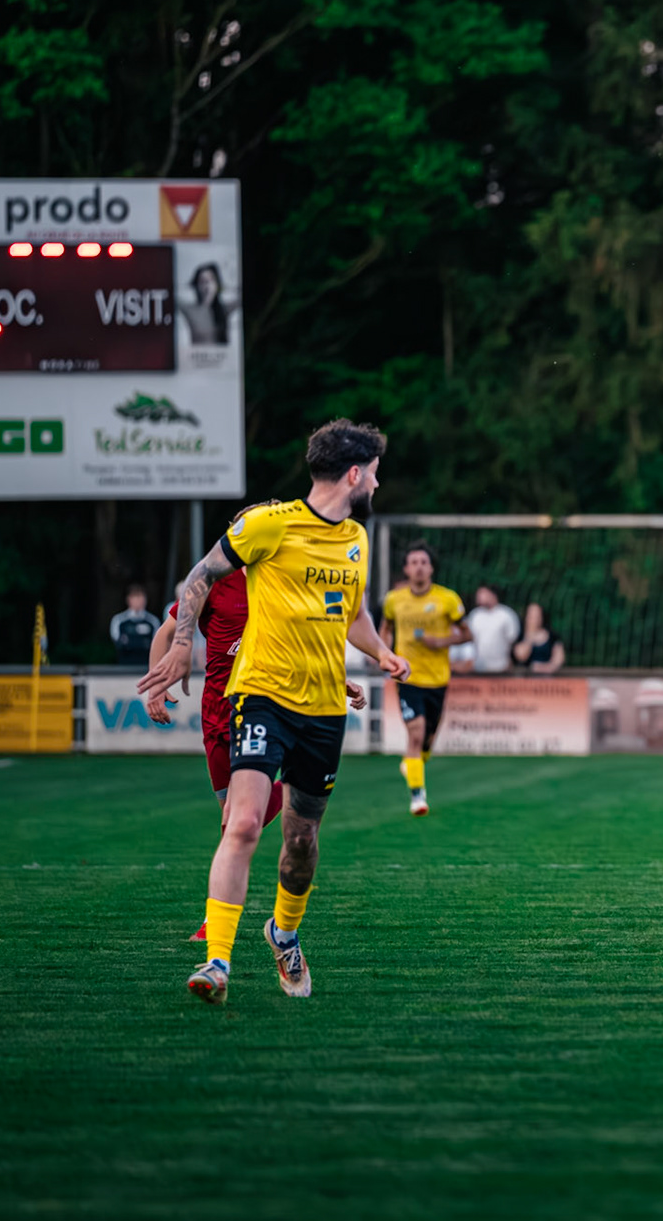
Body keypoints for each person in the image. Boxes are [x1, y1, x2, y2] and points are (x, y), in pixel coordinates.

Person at [138, 419, 410, 1006]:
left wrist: (382, 652)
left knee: (301, 842)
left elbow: (352, 613)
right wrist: (183, 641)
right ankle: (217, 962)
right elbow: (198, 578)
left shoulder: (356, 541)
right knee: (240, 823)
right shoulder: (268, 523)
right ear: (355, 474)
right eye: (376, 476)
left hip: (323, 711)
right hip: (260, 696)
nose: (378, 487)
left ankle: (282, 933)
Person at [143, 504, 306, 941]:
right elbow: (167, 630)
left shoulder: (281, 579)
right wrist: (157, 685)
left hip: (264, 709)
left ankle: (216, 926)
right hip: (216, 712)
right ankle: (288, 794)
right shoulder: (212, 581)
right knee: (228, 816)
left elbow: (310, 637)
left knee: (236, 819)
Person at [379, 541, 470, 817]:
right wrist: (383, 654)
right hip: (407, 677)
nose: (419, 567)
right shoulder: (394, 600)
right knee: (415, 734)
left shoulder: (448, 599)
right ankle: (417, 797)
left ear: (431, 568)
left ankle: (413, 762)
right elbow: (385, 629)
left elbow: (467, 634)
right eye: (413, 562)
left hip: (438, 679)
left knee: (427, 740)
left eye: (423, 562)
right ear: (406, 568)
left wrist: (439, 641)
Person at [464, 584, 519, 675]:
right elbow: (469, 639)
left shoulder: (506, 614)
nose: (479, 597)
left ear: (492, 595)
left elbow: (512, 640)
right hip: (478, 668)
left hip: (501, 668)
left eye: (482, 593)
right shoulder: (475, 615)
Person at [111, 584, 160, 666]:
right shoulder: (119, 620)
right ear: (128, 600)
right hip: (124, 666)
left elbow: (156, 644)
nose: (138, 601)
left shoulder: (153, 621)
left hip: (145, 667)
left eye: (140, 597)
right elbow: (119, 643)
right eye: (135, 597)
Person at [183, 263, 230, 345]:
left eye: (211, 280)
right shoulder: (190, 310)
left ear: (217, 283)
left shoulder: (225, 308)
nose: (207, 285)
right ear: (196, 285)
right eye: (202, 281)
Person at [513, 603, 565, 674]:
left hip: (546, 679)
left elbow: (559, 659)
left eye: (537, 615)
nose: (535, 619)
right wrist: (530, 635)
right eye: (531, 616)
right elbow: (521, 656)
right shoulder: (519, 635)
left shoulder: (552, 636)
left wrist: (545, 668)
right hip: (524, 680)